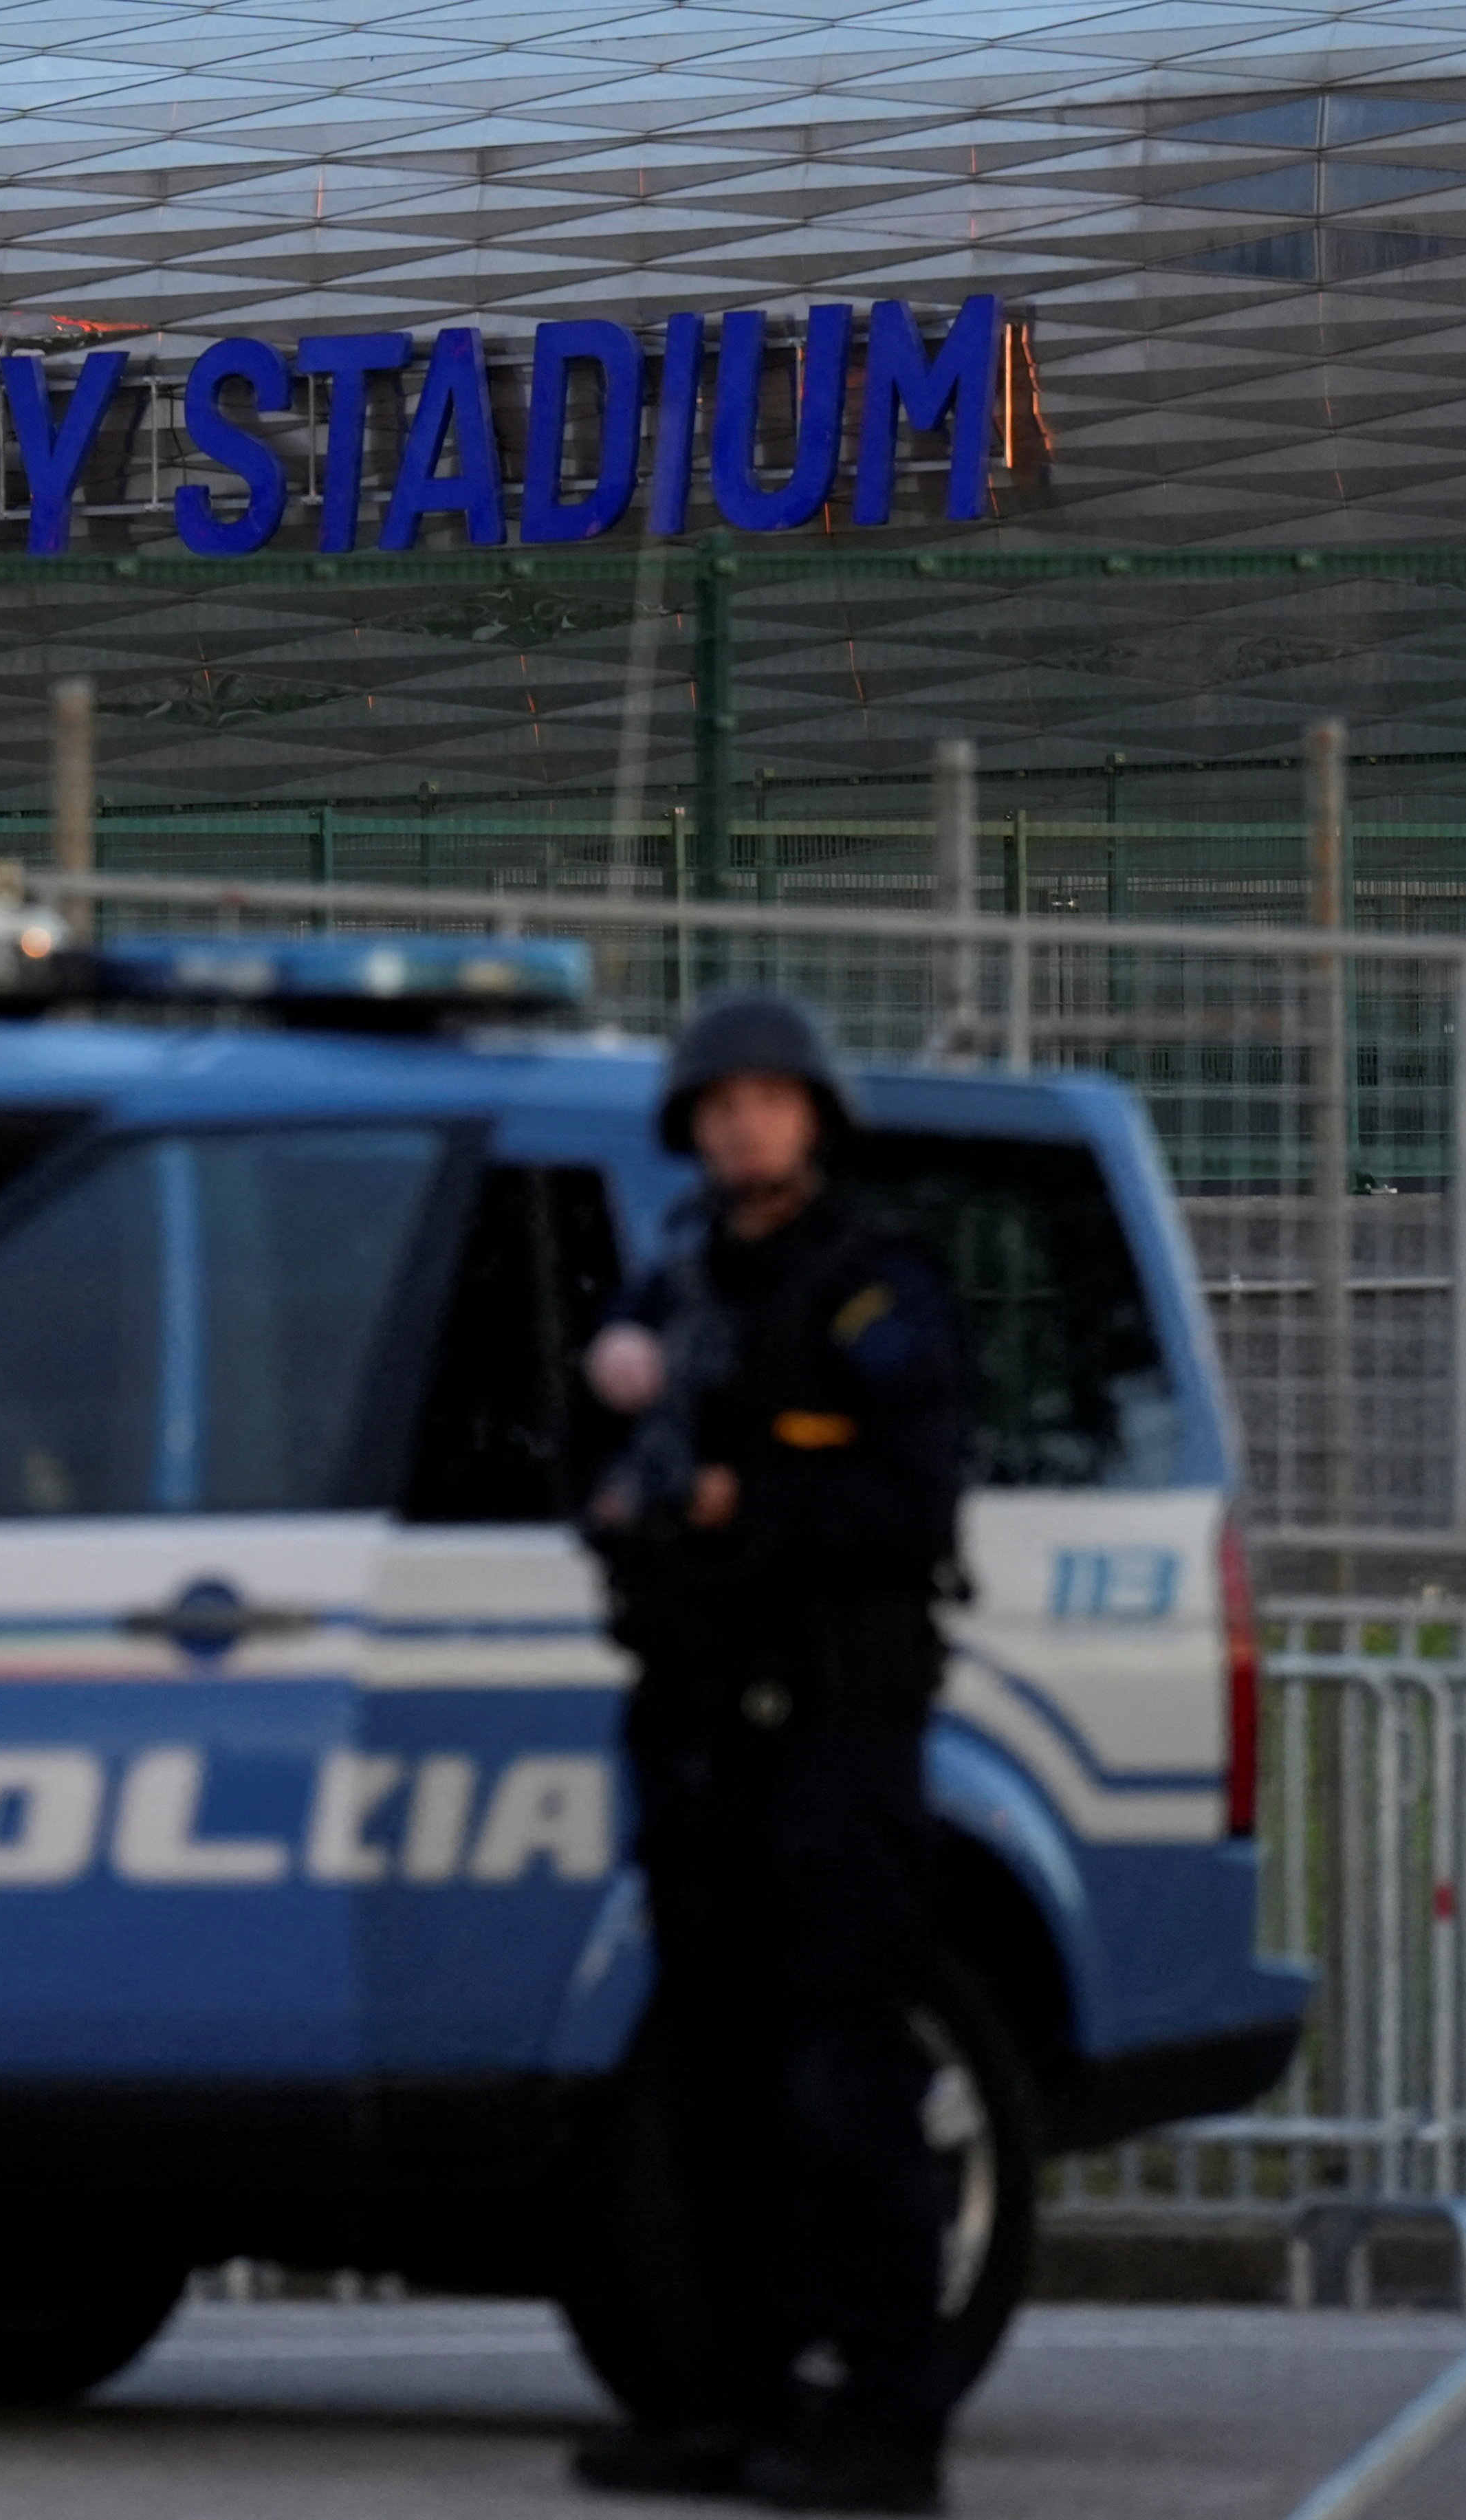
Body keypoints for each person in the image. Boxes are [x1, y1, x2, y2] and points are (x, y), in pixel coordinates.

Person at [567, 989, 970, 2515]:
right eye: (718, 1102)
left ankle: (886, 2416)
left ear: (814, 1118)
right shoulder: (668, 1281)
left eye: (769, 1099)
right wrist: (618, 1492)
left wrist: (754, 1502)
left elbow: (910, 1498)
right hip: (694, 1721)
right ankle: (728, 2397)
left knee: (842, 2078)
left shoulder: (872, 1287)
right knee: (710, 2080)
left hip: (834, 1726)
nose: (742, 1123)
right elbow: (598, 1444)